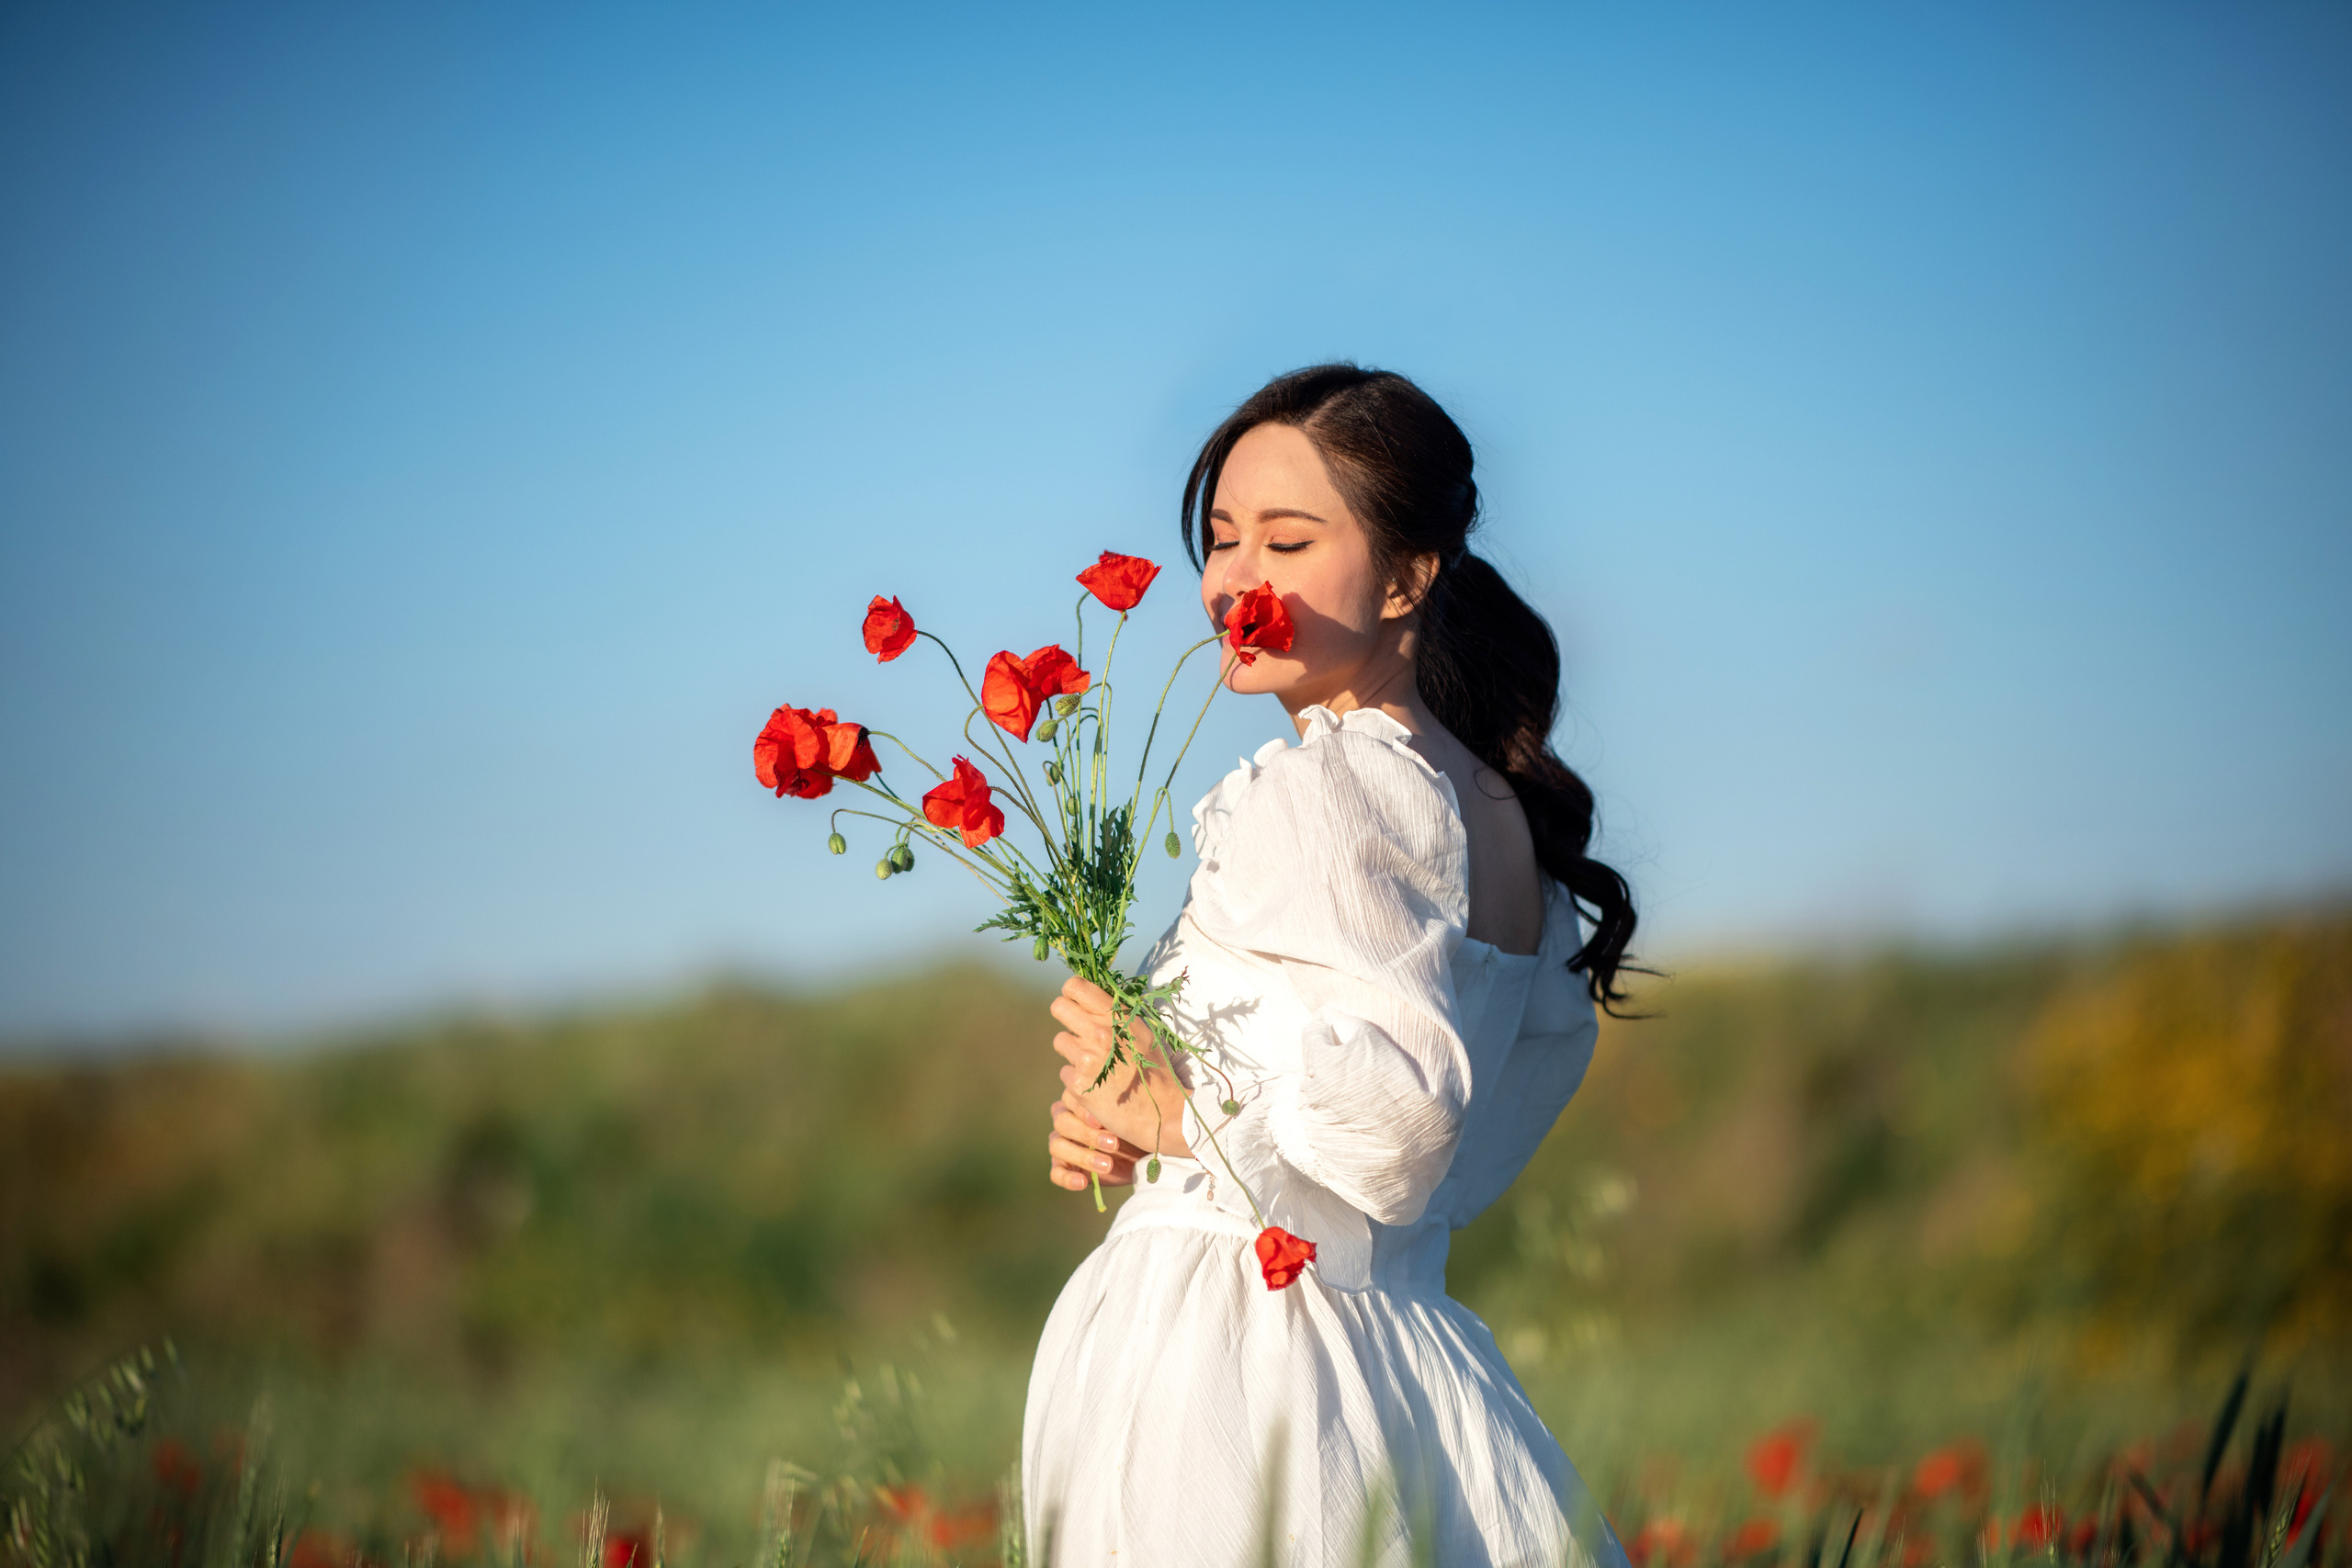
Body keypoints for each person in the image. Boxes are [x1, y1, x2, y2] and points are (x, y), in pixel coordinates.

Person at [1023, 365, 1639, 1567]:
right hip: (1392, 1345)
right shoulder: (1489, 809)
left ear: (1410, 576)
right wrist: (1128, 1119)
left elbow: (1400, 1130)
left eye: (1289, 541)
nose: (1237, 580)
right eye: (1221, 539)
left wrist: (1179, 1118)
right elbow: (1440, 1138)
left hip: (1242, 1369)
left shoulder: (1333, 784)